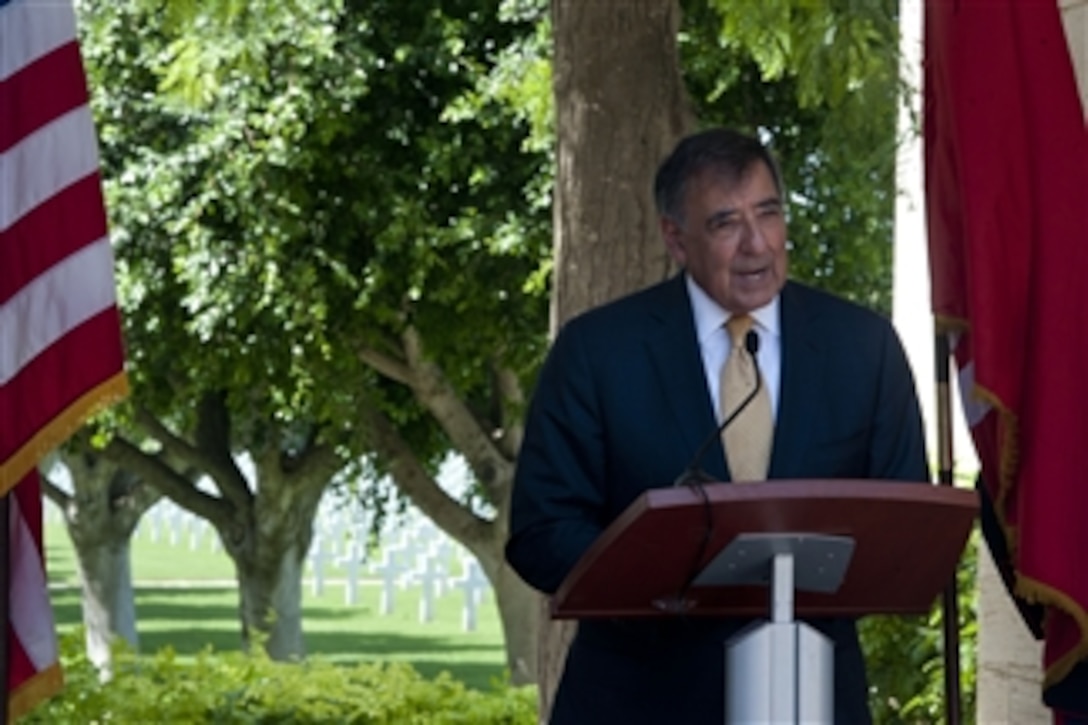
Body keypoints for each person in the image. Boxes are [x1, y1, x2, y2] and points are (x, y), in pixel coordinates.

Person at [505, 127, 928, 724]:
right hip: (638, 700)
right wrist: (659, 575)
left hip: (813, 698)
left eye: (769, 214)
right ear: (675, 239)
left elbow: (904, 519)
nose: (757, 244)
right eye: (726, 224)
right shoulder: (599, 352)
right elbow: (541, 531)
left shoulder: (863, 347)